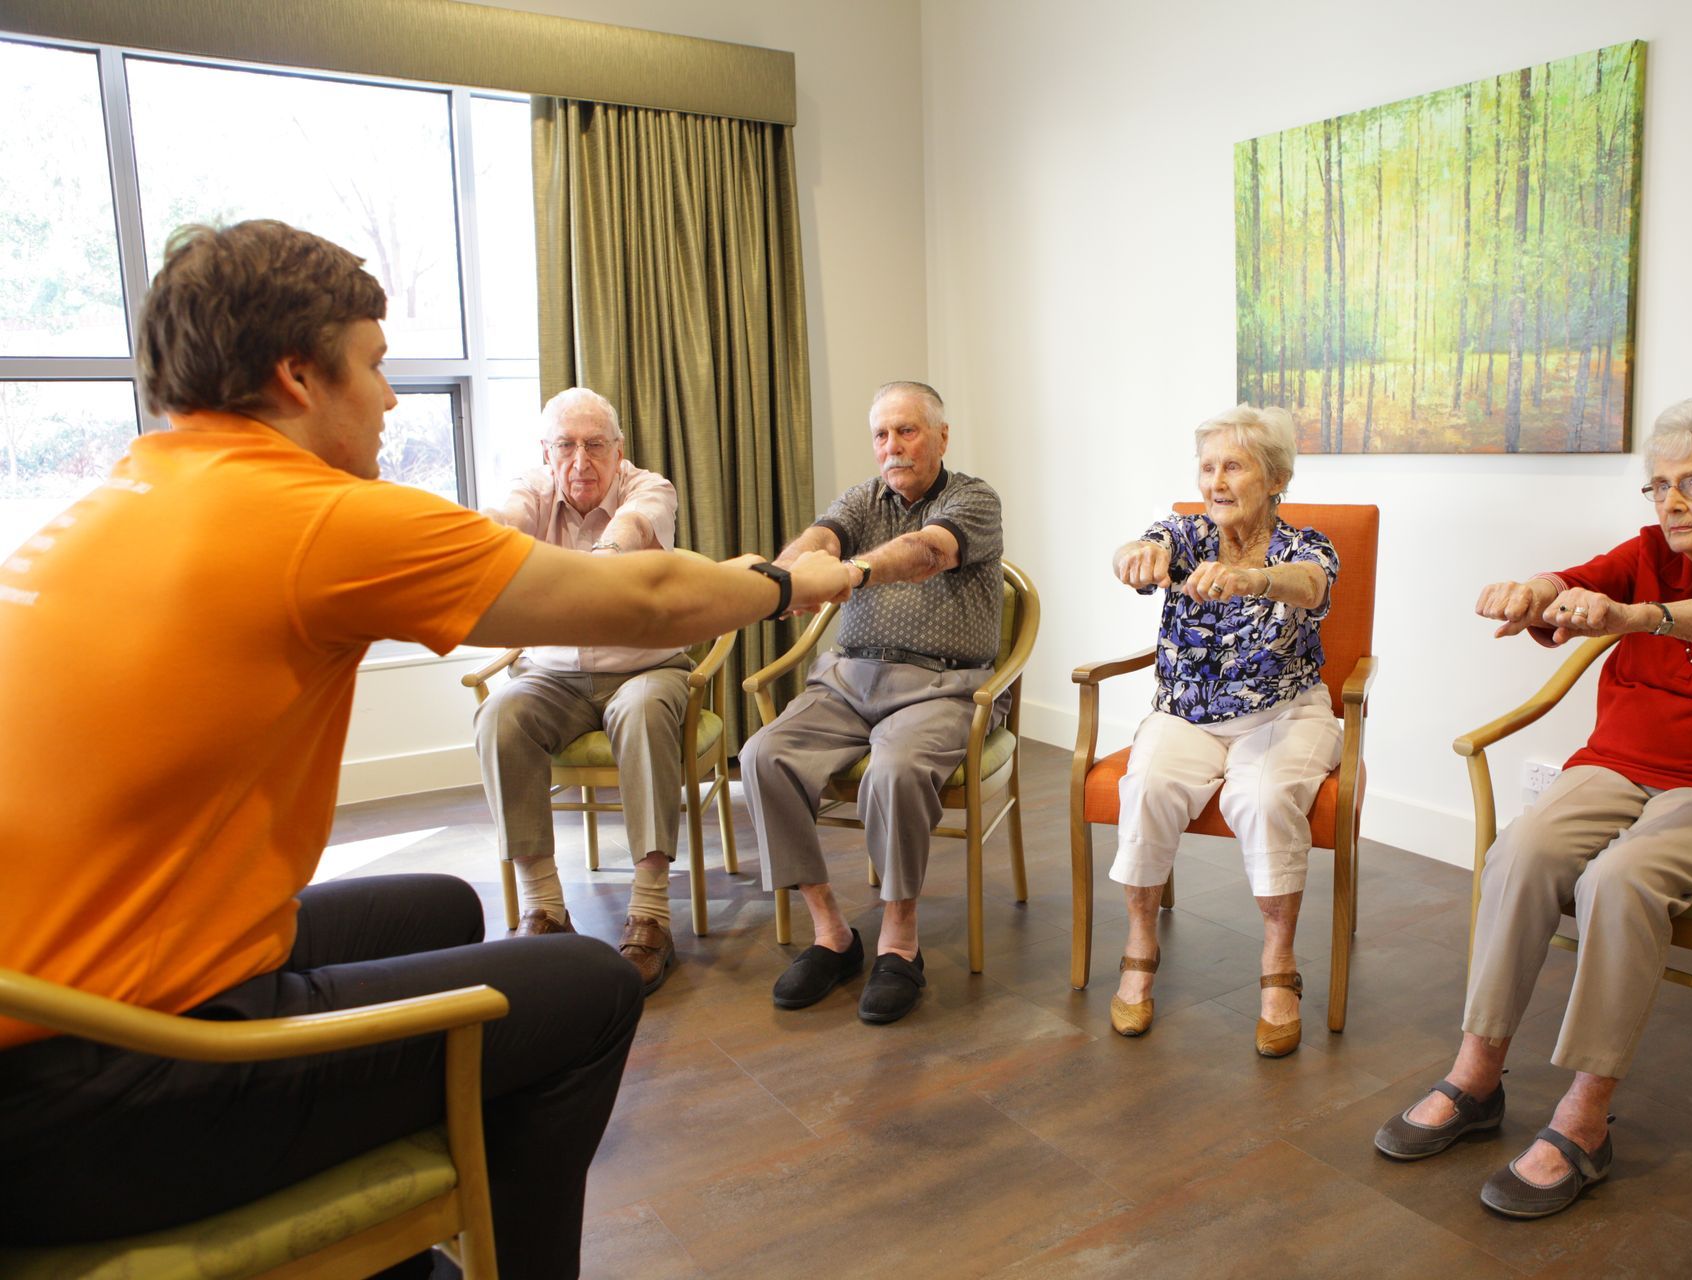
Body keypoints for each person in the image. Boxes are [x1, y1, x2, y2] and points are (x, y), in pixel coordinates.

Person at [0, 220, 849, 1277]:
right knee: (585, 991)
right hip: (91, 1093)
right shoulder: (310, 514)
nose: (394, 398)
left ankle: (397, 1250)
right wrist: (786, 581)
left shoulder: (116, 495)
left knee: (439, 909)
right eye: (377, 365)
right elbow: (654, 590)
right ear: (299, 375)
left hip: (52, 1002)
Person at [1372, 398, 1692, 1219]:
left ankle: (1585, 1116)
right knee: (1521, 851)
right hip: (1619, 766)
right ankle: (1477, 1075)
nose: (1668, 503)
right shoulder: (1648, 554)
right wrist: (1537, 591)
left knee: (1622, 879)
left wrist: (1646, 618)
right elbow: (1577, 581)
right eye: (1658, 485)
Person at [740, 380, 1003, 1025]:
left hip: (943, 687)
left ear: (942, 436)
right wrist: (784, 576)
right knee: (762, 755)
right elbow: (820, 539)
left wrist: (853, 574)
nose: (893, 447)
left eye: (907, 431)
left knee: (896, 769)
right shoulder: (865, 497)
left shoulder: (973, 499)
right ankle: (832, 933)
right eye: (882, 434)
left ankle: (899, 941)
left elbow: (926, 552)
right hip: (848, 683)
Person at [1106, 405, 1342, 1056]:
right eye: (1208, 466)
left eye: (1233, 466)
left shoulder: (1305, 546)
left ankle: (1277, 962)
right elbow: (1140, 547)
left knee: (1262, 799)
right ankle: (1139, 942)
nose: (1216, 480)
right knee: (1147, 785)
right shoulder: (1185, 535)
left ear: (1275, 479)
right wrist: (1137, 556)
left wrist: (1253, 579)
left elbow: (1311, 584)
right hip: (1187, 714)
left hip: (1284, 714)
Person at [475, 386, 691, 995]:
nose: (580, 461)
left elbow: (628, 529)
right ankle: (544, 909)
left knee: (645, 710)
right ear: (547, 453)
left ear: (618, 451)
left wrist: (601, 559)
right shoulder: (535, 488)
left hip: (645, 668)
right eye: (566, 447)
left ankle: (650, 915)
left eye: (595, 445)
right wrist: (478, 536)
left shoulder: (649, 487)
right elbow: (505, 519)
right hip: (553, 675)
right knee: (499, 715)